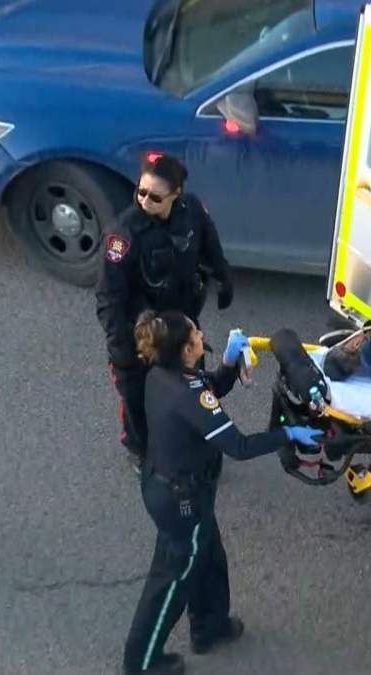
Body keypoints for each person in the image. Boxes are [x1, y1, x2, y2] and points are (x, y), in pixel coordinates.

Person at [121, 310, 322, 674]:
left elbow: (208, 390)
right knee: (171, 580)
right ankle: (142, 661)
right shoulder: (188, 394)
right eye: (196, 334)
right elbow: (239, 446)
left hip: (174, 488)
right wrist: (288, 435)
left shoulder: (164, 375)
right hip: (181, 499)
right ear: (185, 350)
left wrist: (228, 365)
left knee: (209, 558)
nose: (201, 334)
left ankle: (210, 627)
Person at [97, 153, 234, 475]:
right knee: (137, 398)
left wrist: (224, 278)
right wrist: (121, 346)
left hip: (182, 323)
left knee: (194, 389)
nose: (145, 201)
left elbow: (210, 246)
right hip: (142, 333)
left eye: (156, 196)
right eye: (140, 192)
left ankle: (196, 444)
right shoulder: (123, 235)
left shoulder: (192, 211)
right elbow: (109, 297)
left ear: (177, 194)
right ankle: (142, 451)